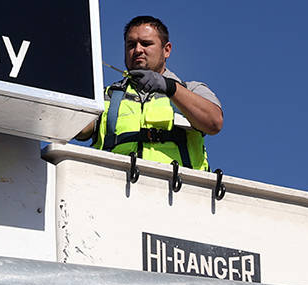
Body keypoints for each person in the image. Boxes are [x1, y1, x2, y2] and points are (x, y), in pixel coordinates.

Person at [76, 16, 222, 170]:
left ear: (166, 50)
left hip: (178, 188)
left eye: (146, 44)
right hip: (115, 187)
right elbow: (75, 127)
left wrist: (169, 87)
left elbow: (214, 122)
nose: (138, 50)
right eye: (131, 45)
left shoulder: (191, 90)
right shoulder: (106, 96)